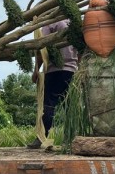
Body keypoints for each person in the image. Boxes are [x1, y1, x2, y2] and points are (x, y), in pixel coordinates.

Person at [27, 19, 78, 149]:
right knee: (70, 106)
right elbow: (81, 48)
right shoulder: (74, 23)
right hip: (71, 70)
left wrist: (36, 70)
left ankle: (41, 137)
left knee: (48, 105)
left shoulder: (50, 23)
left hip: (54, 71)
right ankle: (72, 138)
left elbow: (42, 49)